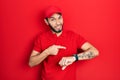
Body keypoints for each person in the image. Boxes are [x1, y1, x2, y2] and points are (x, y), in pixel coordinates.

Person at [29, 6, 99, 80]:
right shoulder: (41, 38)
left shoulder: (73, 36)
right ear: (46, 22)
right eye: (53, 19)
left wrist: (74, 58)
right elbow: (31, 63)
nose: (58, 22)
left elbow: (95, 52)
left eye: (59, 18)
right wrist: (47, 52)